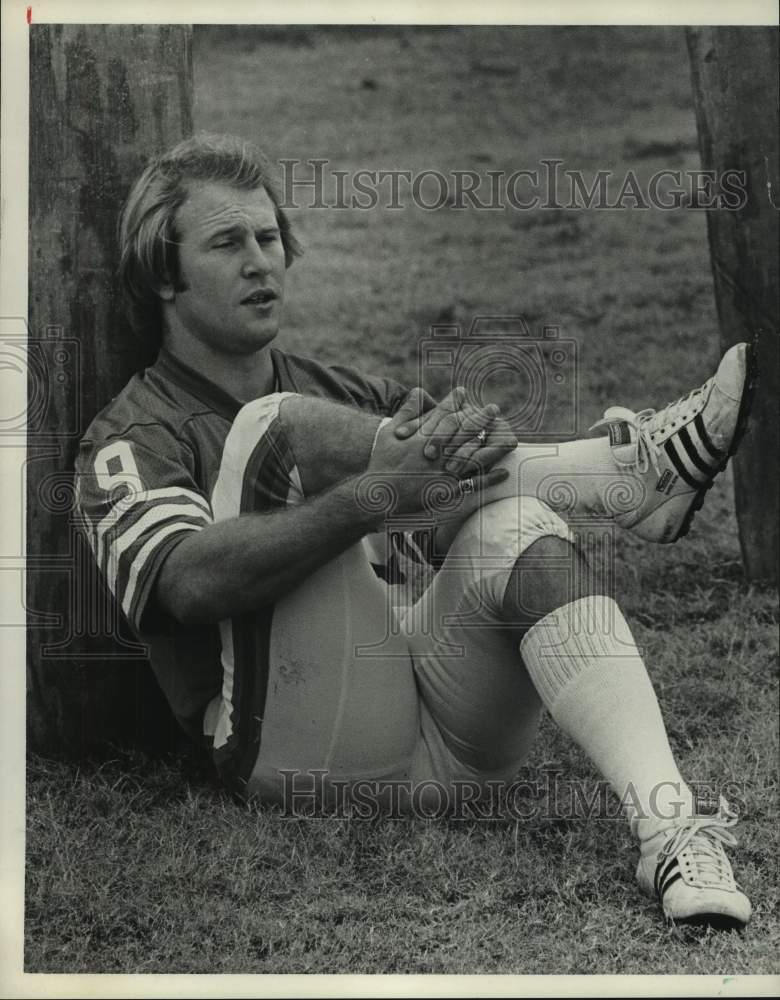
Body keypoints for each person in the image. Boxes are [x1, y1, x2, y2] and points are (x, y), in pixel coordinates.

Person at [74, 133, 756, 929]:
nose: (261, 261)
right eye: (227, 243)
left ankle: (670, 830)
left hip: (450, 749)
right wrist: (373, 497)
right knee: (274, 428)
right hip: (298, 751)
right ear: (163, 273)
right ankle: (622, 477)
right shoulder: (133, 432)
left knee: (516, 522)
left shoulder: (334, 387)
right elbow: (186, 584)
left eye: (268, 238)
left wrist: (445, 472)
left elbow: (459, 495)